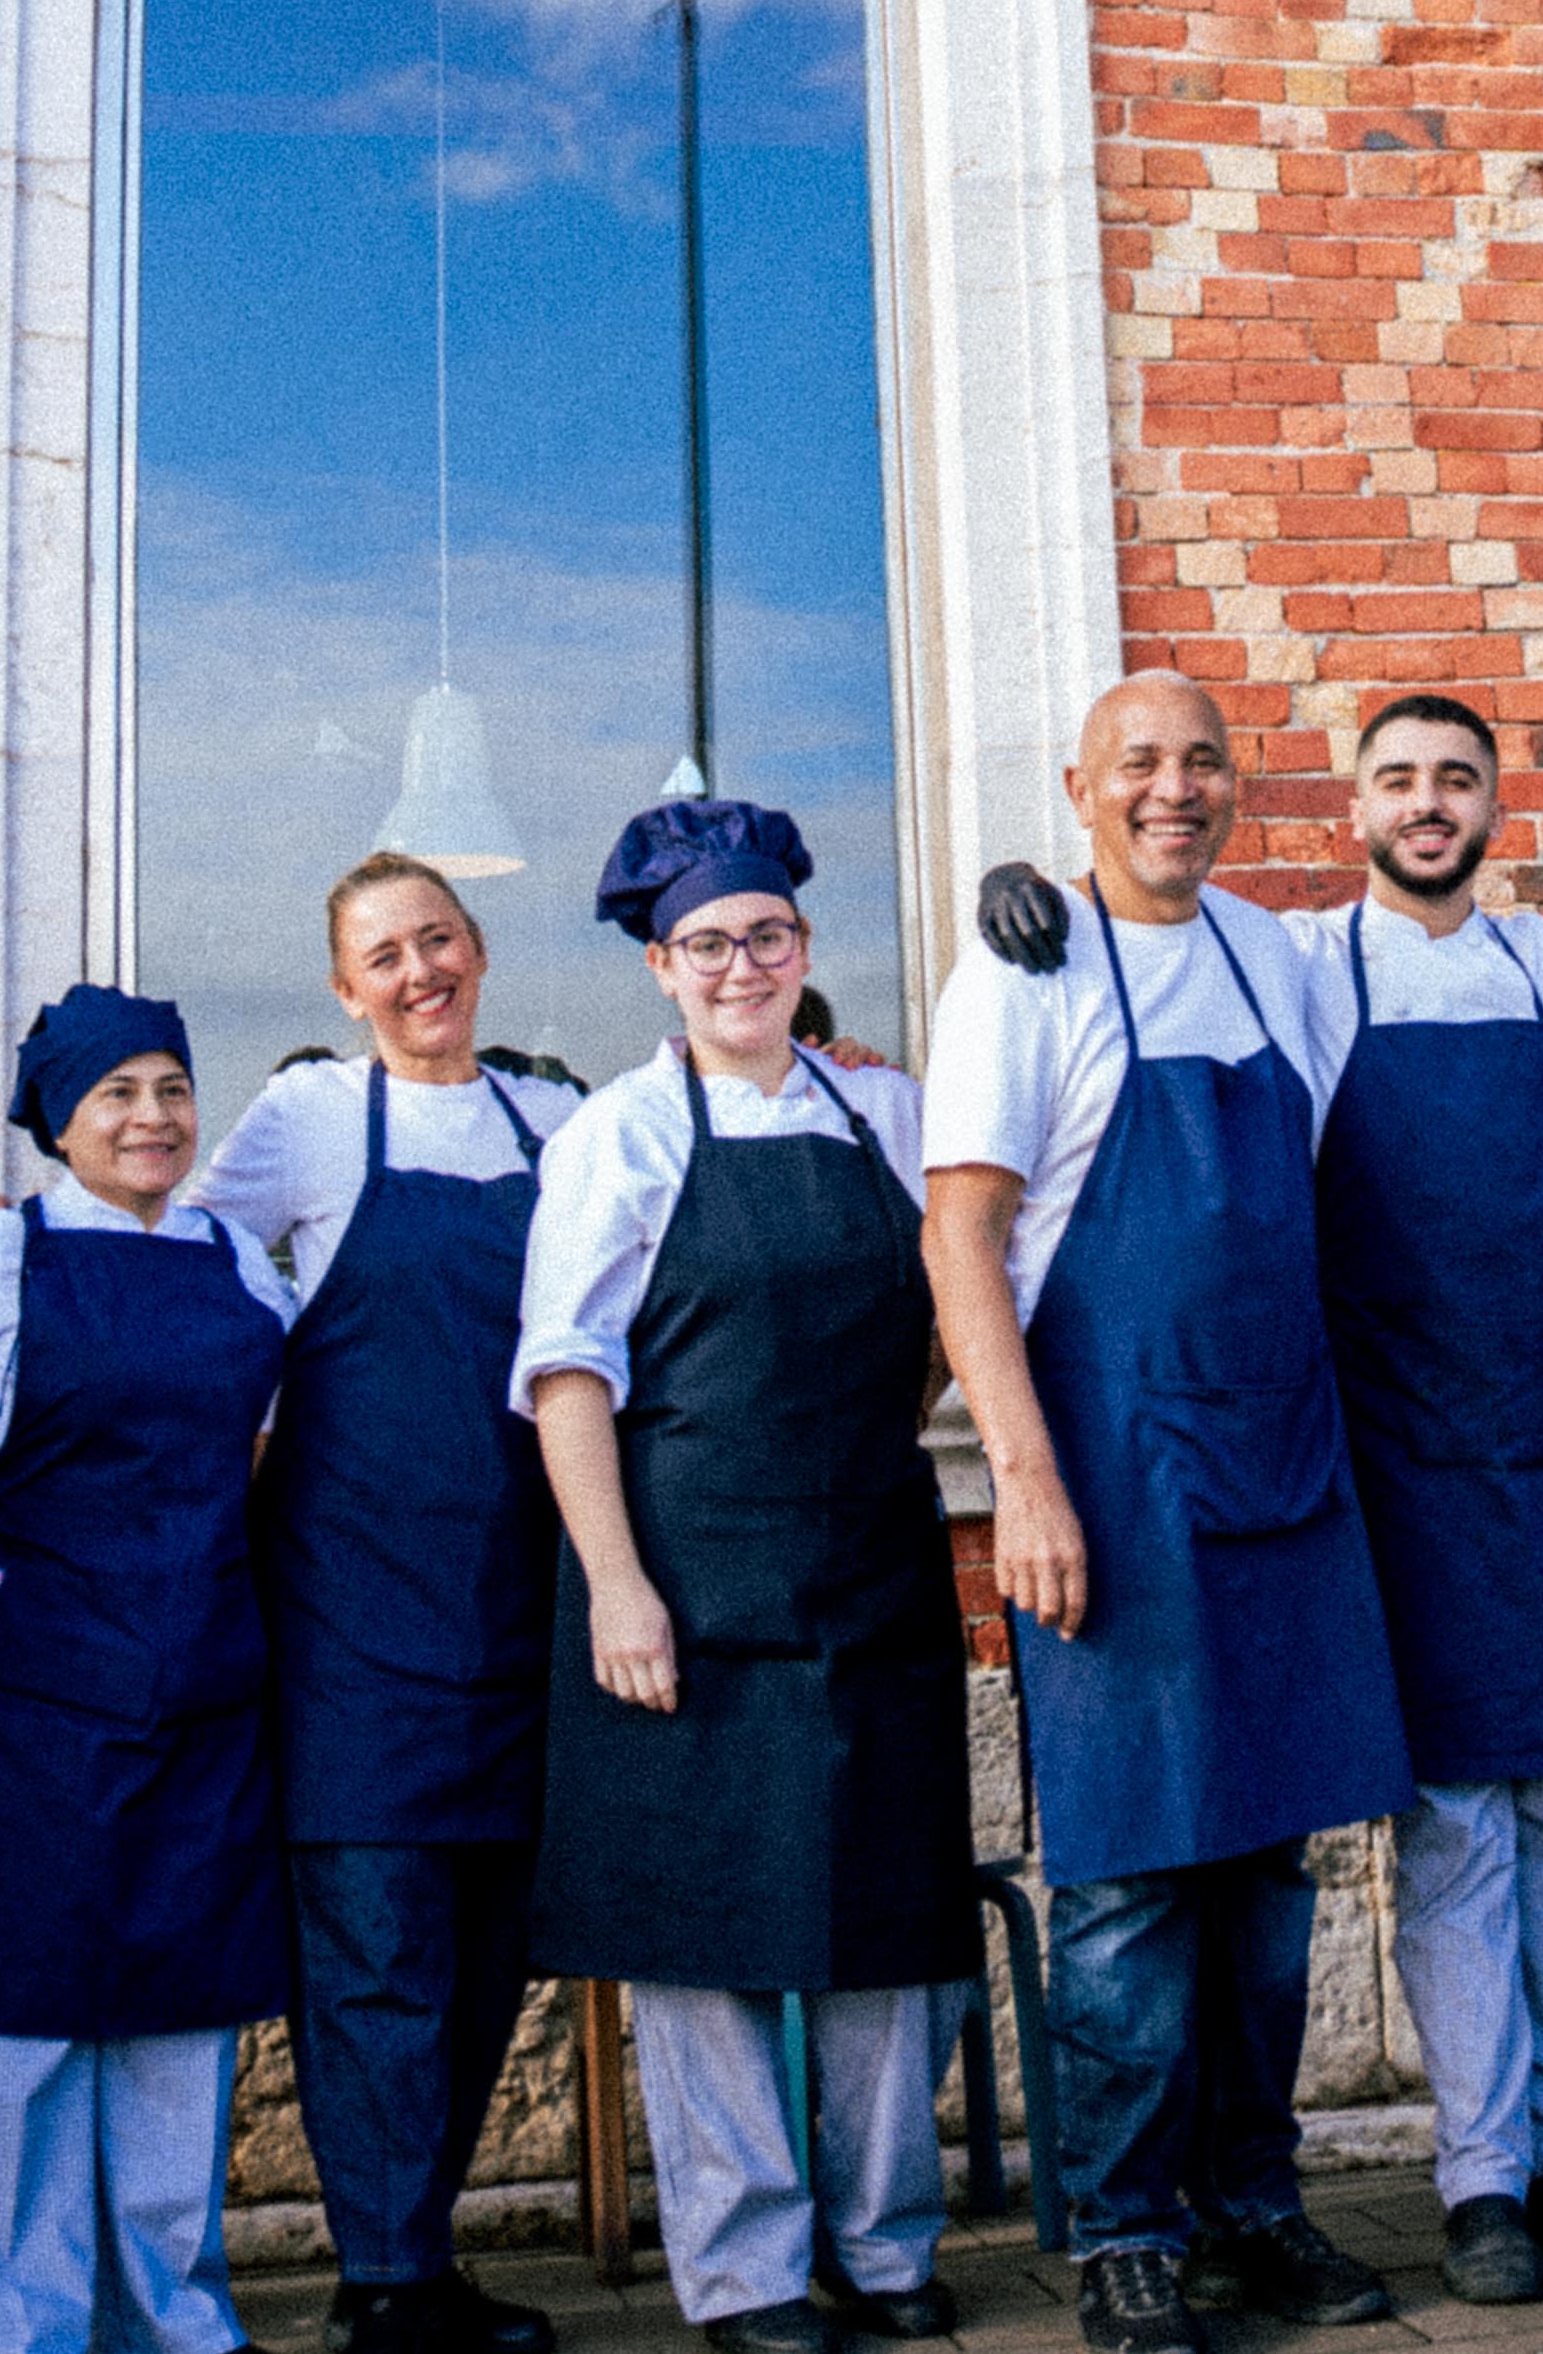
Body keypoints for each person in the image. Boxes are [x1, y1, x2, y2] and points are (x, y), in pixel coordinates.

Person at [982, 695, 1543, 2305]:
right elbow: (1132, 934)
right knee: (1450, 1827)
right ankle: (1480, 2176)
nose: (1429, 806)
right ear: (1352, 807)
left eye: (1457, 780)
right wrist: (1017, 884)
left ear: (1496, 804)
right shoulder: (1301, 960)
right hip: (1388, 1455)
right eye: (1398, 781)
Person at [927, 676, 1411, 2354]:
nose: (1174, 789)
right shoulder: (1025, 964)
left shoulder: (1276, 956)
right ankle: (1126, 2230)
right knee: (1131, 1877)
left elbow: (1419, 981)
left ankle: (1252, 2201)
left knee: (1269, 1870)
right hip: (1116, 1482)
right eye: (1138, 762)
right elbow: (960, 1240)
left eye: (1203, 761)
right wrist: (1026, 1486)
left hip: (1281, 1467)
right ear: (1081, 788)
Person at [519, 800, 979, 2354]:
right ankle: (746, 2274)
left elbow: (950, 1306)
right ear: (660, 967)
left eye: (766, 936)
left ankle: (886, 2241)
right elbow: (567, 1376)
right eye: (707, 944)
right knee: (706, 1942)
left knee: (886, 1920)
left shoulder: (886, 1118)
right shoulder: (619, 1137)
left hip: (869, 1568)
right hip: (688, 1587)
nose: (740, 967)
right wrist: (619, 1587)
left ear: (802, 949)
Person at [0, 986, 300, 2354]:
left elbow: (279, 1439)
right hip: (31, 1701)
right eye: (116, 1095)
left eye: (171, 1088)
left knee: (179, 2021)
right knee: (15, 2019)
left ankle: (176, 2321)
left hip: (208, 1681)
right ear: (59, 1121)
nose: (153, 1117)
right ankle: (16, 2330)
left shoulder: (244, 1258)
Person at [217, 857, 583, 2354]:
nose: (417, 971)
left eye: (438, 938)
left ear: (480, 950)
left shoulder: (558, 1121)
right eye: (383, 954)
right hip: (351, 1614)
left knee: (490, 1957)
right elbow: (165, 1241)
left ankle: (417, 2257)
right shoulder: (305, 1118)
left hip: (521, 1605)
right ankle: (383, 2283)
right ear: (343, 988)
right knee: (376, 1958)